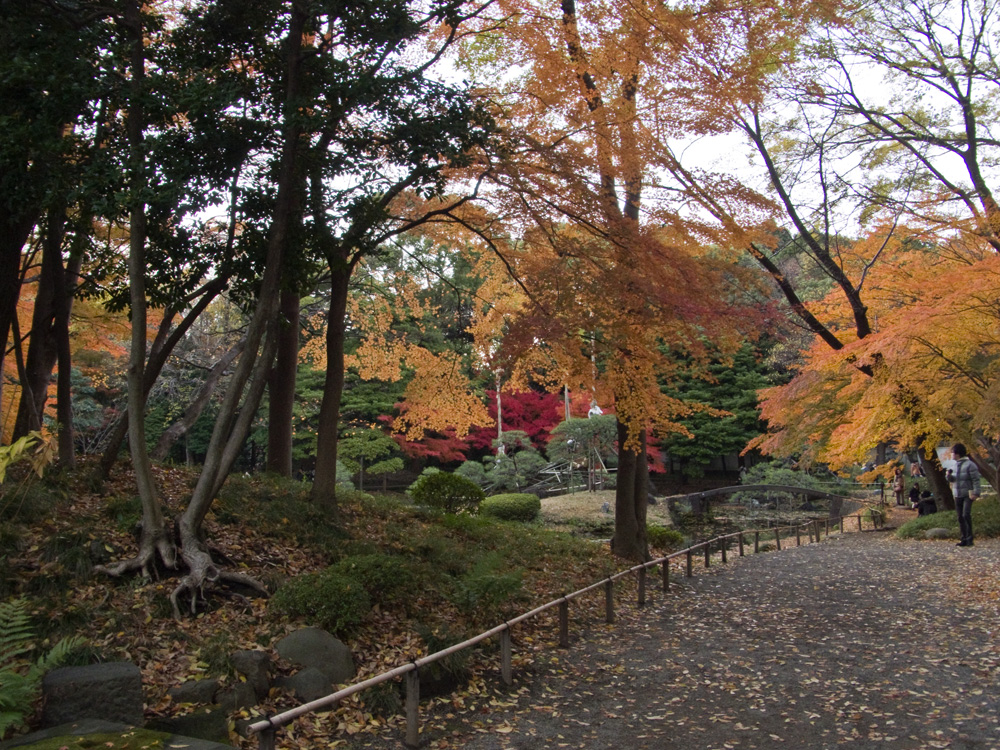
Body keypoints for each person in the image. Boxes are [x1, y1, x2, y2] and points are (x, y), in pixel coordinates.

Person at [951, 443, 982, 547]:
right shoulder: (955, 465)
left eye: (953, 452)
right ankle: (963, 538)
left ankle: (969, 539)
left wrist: (976, 492)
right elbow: (954, 479)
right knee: (960, 517)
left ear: (957, 454)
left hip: (967, 494)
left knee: (966, 514)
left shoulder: (970, 464)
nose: (951, 455)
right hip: (957, 494)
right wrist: (949, 477)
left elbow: (976, 480)